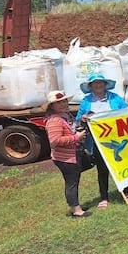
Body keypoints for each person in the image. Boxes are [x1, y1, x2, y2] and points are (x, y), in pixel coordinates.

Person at [76, 74, 128, 209]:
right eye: (95, 84)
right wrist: (84, 118)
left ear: (105, 84)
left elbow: (126, 110)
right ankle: (104, 197)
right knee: (102, 169)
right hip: (97, 141)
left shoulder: (114, 98)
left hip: (116, 138)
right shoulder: (86, 101)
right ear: (90, 86)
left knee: (120, 164)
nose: (98, 86)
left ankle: (126, 191)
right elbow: (79, 118)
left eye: (100, 83)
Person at [45, 90, 90, 218]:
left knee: (74, 180)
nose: (63, 104)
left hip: (73, 154)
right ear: (52, 106)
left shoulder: (65, 115)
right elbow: (55, 141)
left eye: (64, 101)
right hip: (65, 157)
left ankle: (75, 205)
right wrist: (76, 138)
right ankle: (76, 210)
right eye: (58, 103)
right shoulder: (55, 120)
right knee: (71, 182)